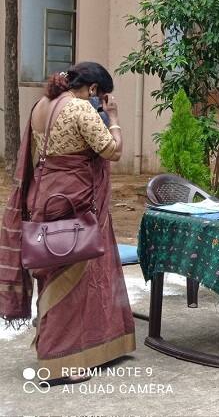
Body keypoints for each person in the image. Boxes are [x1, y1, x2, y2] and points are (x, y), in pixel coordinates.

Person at [0, 62, 136, 384]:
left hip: (44, 197)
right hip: (73, 201)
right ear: (92, 90)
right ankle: (59, 364)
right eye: (100, 96)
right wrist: (113, 119)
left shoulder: (41, 105)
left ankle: (71, 350)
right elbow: (111, 151)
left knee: (53, 273)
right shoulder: (80, 109)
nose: (99, 102)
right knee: (70, 283)